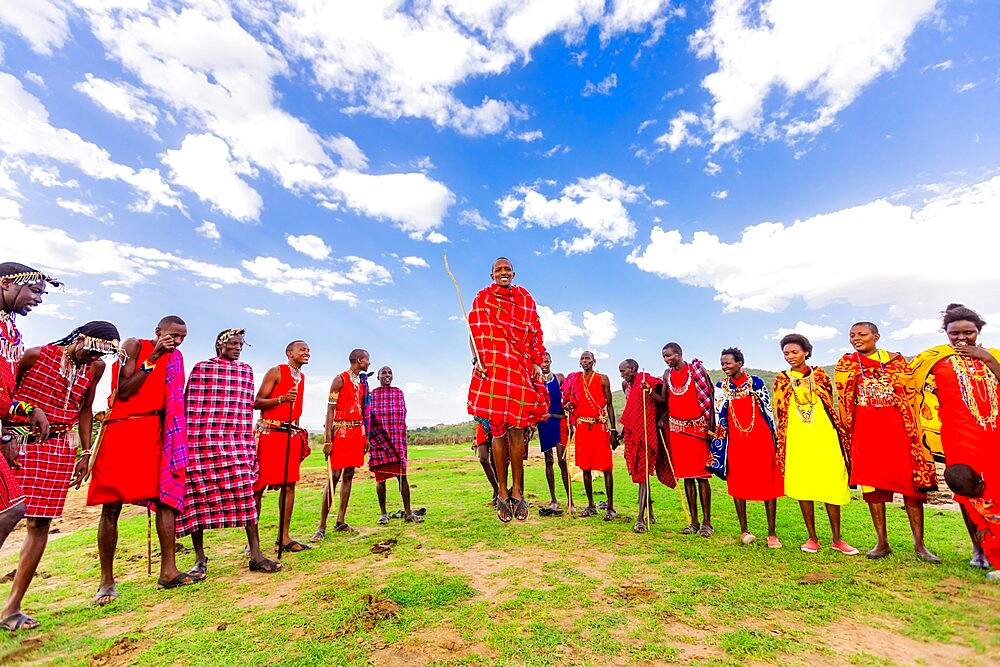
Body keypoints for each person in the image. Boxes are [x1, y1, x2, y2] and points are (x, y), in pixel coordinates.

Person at [0, 322, 115, 631]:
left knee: (40, 524)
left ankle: (11, 609)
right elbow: (5, 395)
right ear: (78, 338)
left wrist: (84, 453)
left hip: (60, 449)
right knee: (5, 516)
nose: (93, 356)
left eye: (101, 353)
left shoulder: (96, 368)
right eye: (91, 349)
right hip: (20, 444)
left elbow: (85, 410)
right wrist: (5, 435)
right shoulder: (36, 356)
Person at [87, 315, 192, 603]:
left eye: (183, 337)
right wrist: (155, 355)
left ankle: (168, 570)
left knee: (165, 500)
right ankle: (106, 581)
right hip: (122, 430)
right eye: (173, 335)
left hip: (158, 435)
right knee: (111, 505)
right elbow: (124, 390)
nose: (178, 341)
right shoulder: (133, 346)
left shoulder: (178, 358)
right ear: (157, 331)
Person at [176, 329, 281, 579]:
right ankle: (199, 558)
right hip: (201, 444)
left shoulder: (246, 372)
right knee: (197, 498)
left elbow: (245, 409)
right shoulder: (202, 369)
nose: (238, 348)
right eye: (234, 343)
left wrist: (246, 441)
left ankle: (255, 555)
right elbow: (190, 405)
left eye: (241, 345)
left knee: (246, 494)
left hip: (237, 442)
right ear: (219, 344)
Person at [834, 322, 939, 562]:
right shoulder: (847, 364)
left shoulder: (897, 361)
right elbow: (843, 398)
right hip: (865, 433)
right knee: (872, 487)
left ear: (876, 336)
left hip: (899, 432)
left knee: (911, 488)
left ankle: (920, 545)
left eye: (862, 334)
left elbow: (913, 390)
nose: (856, 339)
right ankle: (881, 542)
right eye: (852, 335)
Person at [911, 304, 1000, 569]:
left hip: (995, 431)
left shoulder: (994, 356)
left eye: (968, 332)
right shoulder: (935, 361)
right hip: (958, 435)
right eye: (954, 334)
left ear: (979, 331)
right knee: (966, 489)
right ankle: (979, 548)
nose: (961, 338)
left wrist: (987, 359)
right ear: (946, 334)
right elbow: (912, 389)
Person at [467, 257, 548, 523]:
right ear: (492, 275)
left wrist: (536, 361)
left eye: (506, 269)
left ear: (513, 273)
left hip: (519, 370)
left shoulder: (525, 299)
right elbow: (474, 333)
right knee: (498, 433)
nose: (503, 272)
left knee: (518, 432)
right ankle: (502, 492)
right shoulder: (483, 299)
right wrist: (476, 359)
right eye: (498, 270)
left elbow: (536, 332)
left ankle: (518, 491)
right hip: (493, 372)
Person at [773, 334, 858, 555]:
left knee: (832, 485)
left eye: (794, 352)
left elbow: (830, 405)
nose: (790, 356)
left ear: (806, 352)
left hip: (824, 437)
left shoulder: (820, 375)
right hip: (797, 439)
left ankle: (837, 539)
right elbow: (780, 411)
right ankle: (812, 538)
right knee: (804, 486)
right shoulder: (782, 379)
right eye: (786, 353)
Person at [0, 263, 61, 550]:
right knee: (11, 508)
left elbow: (4, 393)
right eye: (35, 290)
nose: (39, 299)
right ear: (6, 284)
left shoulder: (11, 331)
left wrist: (23, 415)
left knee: (13, 507)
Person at [712, 348, 783, 547]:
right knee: (738, 484)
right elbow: (720, 416)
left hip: (761, 439)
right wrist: (719, 443)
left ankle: (772, 534)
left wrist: (775, 439)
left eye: (728, 363)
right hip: (735, 442)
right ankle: (744, 531)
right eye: (722, 363)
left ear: (740, 363)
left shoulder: (756, 382)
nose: (724, 366)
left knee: (768, 482)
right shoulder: (721, 386)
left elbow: (768, 411)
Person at [253, 340, 310, 553]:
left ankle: (284, 537)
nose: (307, 353)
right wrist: (281, 399)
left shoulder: (302, 377)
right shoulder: (276, 371)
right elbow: (257, 402)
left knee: (289, 484)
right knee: (258, 487)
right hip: (270, 434)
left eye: (308, 350)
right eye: (303, 349)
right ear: (289, 353)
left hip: (290, 435)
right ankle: (253, 543)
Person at [660, 343, 715, 536]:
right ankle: (693, 522)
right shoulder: (667, 375)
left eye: (669, 356)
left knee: (701, 476)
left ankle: (707, 523)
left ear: (679, 353)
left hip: (698, 429)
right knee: (687, 477)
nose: (667, 360)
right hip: (677, 431)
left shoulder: (697, 370)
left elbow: (710, 395)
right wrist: (650, 392)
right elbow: (664, 400)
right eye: (664, 357)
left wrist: (711, 428)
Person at [314, 349, 370, 536]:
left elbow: (362, 408)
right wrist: (328, 439)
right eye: (367, 360)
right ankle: (321, 526)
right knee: (334, 476)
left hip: (357, 432)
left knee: (349, 474)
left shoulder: (361, 383)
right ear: (359, 360)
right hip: (341, 432)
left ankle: (340, 520)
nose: (369, 363)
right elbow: (330, 410)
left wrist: (366, 437)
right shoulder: (340, 380)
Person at [618, 358, 674, 533]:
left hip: (648, 433)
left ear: (634, 368)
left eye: (624, 370)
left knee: (644, 475)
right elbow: (630, 408)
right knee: (640, 474)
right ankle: (650, 513)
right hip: (632, 434)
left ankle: (640, 519)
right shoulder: (625, 385)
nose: (622, 374)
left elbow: (665, 402)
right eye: (620, 371)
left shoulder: (647, 380)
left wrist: (649, 393)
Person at [562, 350, 617, 520]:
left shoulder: (603, 379)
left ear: (594, 361)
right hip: (583, 428)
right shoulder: (575, 380)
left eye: (588, 358)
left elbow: (610, 405)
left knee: (607, 467)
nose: (585, 361)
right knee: (585, 467)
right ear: (580, 362)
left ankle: (610, 507)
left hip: (600, 427)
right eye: (582, 359)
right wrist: (570, 405)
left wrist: (613, 429)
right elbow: (573, 400)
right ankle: (591, 505)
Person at [366, 365, 422, 525]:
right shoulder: (373, 395)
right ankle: (383, 513)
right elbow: (368, 418)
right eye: (383, 373)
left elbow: (401, 415)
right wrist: (371, 438)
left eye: (390, 373)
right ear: (378, 377)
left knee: (402, 477)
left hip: (397, 441)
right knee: (380, 479)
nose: (387, 375)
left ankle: (409, 512)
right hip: (378, 442)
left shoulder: (398, 393)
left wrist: (397, 437)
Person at [944, 464, 999, 581]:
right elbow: (972, 511)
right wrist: (982, 526)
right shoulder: (965, 497)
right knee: (990, 546)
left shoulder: (994, 484)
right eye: (975, 490)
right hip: (992, 524)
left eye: (980, 483)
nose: (980, 487)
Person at [537, 352, 569, 516]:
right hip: (543, 423)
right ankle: (554, 499)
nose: (544, 364)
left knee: (562, 460)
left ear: (551, 361)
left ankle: (570, 500)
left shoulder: (559, 377)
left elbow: (568, 395)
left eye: (547, 361)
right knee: (548, 460)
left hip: (559, 420)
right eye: (542, 362)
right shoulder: (535, 380)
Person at [472, 418, 500, 507]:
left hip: (497, 423)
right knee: (483, 459)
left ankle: (496, 496)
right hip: (482, 426)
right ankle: (498, 491)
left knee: (495, 462)